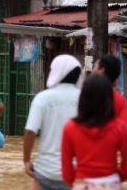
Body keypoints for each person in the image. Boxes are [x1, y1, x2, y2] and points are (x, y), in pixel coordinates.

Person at [23, 54, 82, 190]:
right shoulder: (86, 99)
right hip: (76, 173)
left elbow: (30, 132)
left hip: (45, 171)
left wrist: (26, 161)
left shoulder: (42, 98)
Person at [61, 75, 127, 189]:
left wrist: (78, 181)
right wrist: (115, 178)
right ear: (109, 99)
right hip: (111, 183)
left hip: (82, 184)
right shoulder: (120, 127)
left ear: (83, 97)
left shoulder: (70, 128)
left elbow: (66, 171)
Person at [92, 55, 127, 124]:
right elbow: (126, 128)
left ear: (101, 71)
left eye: (94, 67)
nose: (92, 71)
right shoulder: (120, 99)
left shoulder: (87, 95)